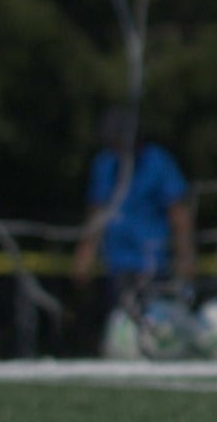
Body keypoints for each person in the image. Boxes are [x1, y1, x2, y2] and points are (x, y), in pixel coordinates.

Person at [71, 105, 198, 343]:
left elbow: (178, 212)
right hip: (116, 264)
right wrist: (85, 252)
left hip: (152, 264)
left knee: (155, 328)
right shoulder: (105, 165)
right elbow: (97, 212)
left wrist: (186, 256)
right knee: (118, 329)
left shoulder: (158, 162)